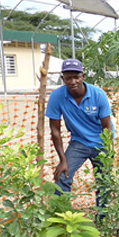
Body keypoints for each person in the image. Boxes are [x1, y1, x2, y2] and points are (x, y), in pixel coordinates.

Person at [46, 58, 114, 210]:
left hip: (101, 141)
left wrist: (108, 151)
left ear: (83, 76)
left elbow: (107, 126)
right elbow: (55, 130)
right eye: (68, 78)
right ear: (63, 79)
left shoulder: (98, 95)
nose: (73, 81)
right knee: (62, 176)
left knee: (104, 180)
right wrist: (62, 160)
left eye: (76, 77)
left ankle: (104, 218)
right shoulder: (57, 97)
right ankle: (62, 217)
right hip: (79, 142)